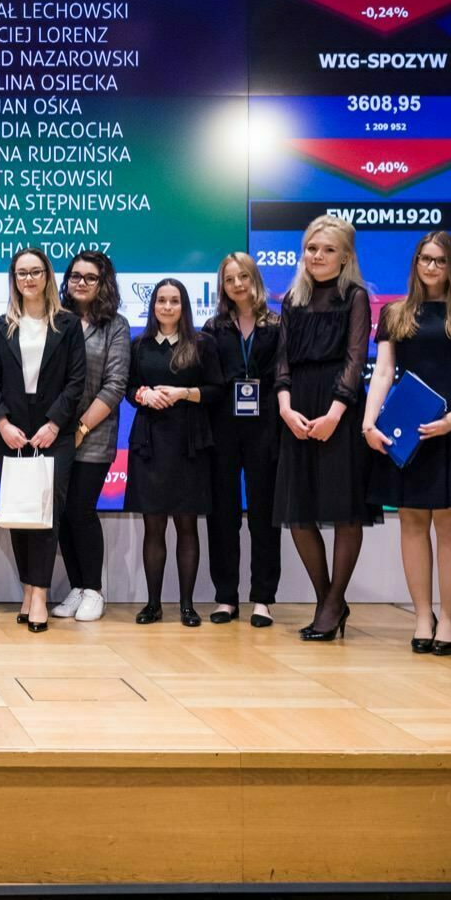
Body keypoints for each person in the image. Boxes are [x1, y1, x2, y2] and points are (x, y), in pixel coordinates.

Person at [364, 231, 451, 657]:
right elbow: (383, 373)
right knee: (412, 521)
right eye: (424, 259)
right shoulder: (395, 313)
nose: (430, 267)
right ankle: (423, 616)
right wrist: (369, 422)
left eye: (439, 260)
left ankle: (450, 618)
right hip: (408, 430)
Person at [273, 215, 376, 643]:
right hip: (296, 408)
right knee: (299, 515)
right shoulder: (292, 299)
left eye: (327, 249)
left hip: (341, 410)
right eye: (312, 248)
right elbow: (280, 360)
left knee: (344, 510)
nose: (317, 256)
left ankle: (333, 605)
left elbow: (356, 359)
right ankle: (327, 599)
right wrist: (284, 407)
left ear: (345, 255)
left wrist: (335, 412)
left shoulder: (354, 297)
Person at [0, 247, 86, 633]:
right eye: (22, 273)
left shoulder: (68, 325)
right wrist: (3, 424)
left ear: (47, 276)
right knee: (19, 513)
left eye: (36, 271)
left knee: (45, 514)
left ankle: (40, 594)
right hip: (9, 433)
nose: (29, 279)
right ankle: (27, 588)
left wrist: (56, 424)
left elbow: (77, 383)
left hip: (52, 432)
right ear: (14, 279)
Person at [128, 279, 224, 626]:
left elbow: (217, 390)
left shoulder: (202, 344)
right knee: (153, 528)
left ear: (184, 306)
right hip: (150, 443)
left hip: (189, 443)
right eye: (161, 301)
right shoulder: (138, 345)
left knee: (187, 527)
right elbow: (126, 387)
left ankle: (187, 605)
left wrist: (184, 393)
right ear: (152, 306)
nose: (167, 307)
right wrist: (142, 395)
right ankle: (153, 605)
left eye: (174, 301)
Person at [203, 253, 284, 628]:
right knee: (223, 514)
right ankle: (225, 597)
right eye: (230, 278)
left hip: (266, 425)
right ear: (223, 285)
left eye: (244, 277)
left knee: (264, 515)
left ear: (255, 280)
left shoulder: (278, 324)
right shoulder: (213, 327)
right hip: (222, 427)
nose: (237, 284)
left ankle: (263, 598)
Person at [52, 250, 130, 623]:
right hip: (54, 434)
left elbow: (115, 386)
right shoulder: (56, 320)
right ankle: (78, 587)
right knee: (61, 514)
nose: (80, 282)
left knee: (81, 510)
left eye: (90, 277)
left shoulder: (116, 325)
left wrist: (81, 428)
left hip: (93, 436)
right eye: (75, 276)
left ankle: (94, 589)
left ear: (103, 283)